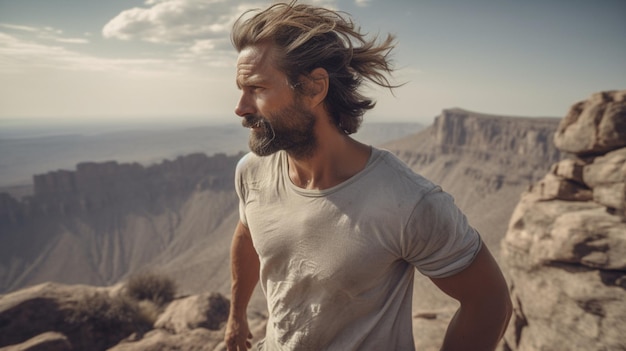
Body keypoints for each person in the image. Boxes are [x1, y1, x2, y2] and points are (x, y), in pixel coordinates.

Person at [225, 2, 512, 350]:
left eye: (256, 88)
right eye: (241, 89)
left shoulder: (406, 201)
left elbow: (490, 302)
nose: (240, 108)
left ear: (315, 88)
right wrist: (236, 317)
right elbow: (248, 231)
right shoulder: (252, 172)